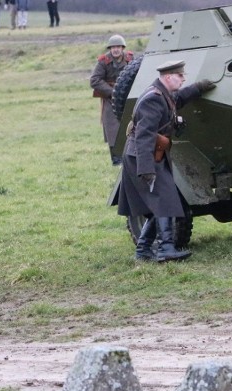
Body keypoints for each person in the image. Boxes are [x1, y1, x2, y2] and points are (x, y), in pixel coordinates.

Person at [116, 60, 216, 262]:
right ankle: (165, 249)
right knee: (165, 199)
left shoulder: (163, 95)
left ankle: (143, 250)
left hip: (151, 155)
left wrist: (198, 88)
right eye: (180, 76)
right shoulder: (153, 99)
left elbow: (178, 99)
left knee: (161, 202)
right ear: (168, 77)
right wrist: (146, 170)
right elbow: (144, 136)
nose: (184, 78)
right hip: (142, 157)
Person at [90, 34, 134, 166]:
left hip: (127, 96)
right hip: (110, 98)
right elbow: (94, 80)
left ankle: (130, 154)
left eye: (118, 47)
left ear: (122, 48)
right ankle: (116, 158)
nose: (115, 50)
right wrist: (111, 92)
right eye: (113, 47)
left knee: (130, 125)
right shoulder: (103, 61)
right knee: (112, 128)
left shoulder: (130, 59)